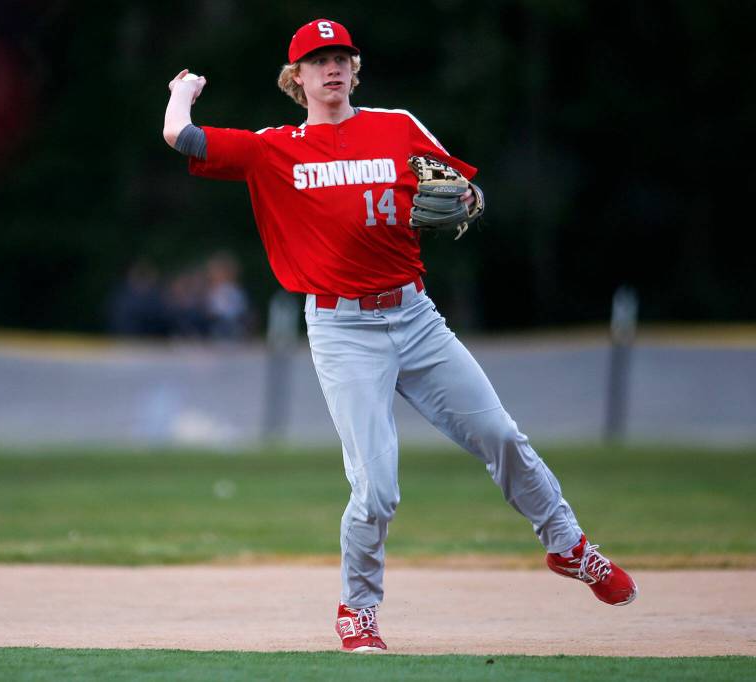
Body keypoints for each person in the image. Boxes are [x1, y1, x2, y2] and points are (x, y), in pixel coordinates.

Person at [162, 18, 636, 653]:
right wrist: (182, 94)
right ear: (295, 78)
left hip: (415, 318)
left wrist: (467, 199)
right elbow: (181, 138)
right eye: (317, 60)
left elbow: (465, 192)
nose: (332, 67)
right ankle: (357, 610)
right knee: (376, 487)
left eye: (342, 57)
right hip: (340, 329)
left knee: (500, 433)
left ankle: (571, 548)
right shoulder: (274, 149)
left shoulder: (398, 127)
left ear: (355, 69)